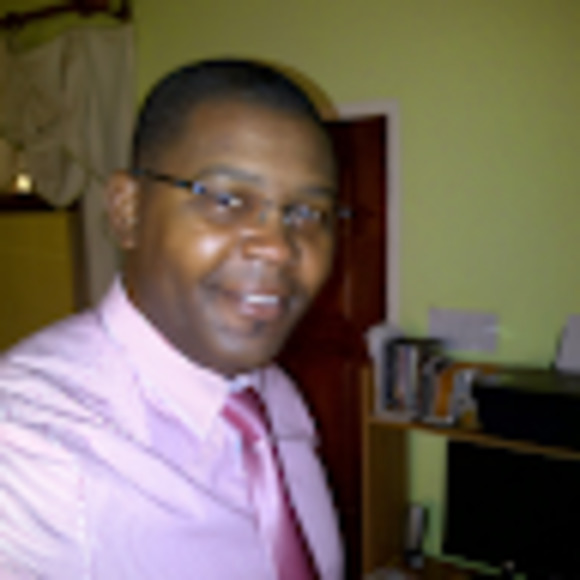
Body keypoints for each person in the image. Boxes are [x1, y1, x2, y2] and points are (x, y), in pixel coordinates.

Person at [0, 59, 344, 579]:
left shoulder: (274, 397)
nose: (278, 247)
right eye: (227, 200)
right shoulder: (28, 449)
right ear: (128, 209)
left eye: (307, 213)